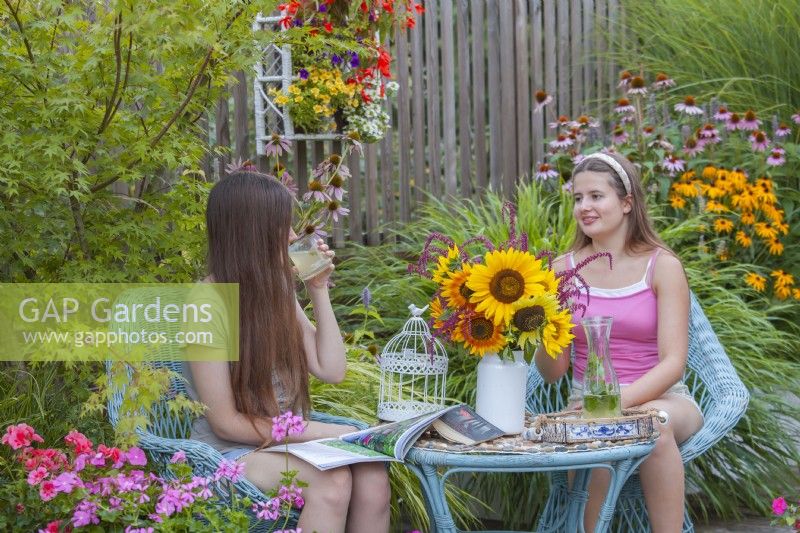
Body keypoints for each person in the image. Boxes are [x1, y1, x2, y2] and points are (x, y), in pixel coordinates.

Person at [184, 172, 390, 533]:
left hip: (282, 444)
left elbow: (331, 369)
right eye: (284, 226)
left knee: (372, 469)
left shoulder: (274, 290)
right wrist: (318, 430)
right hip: (229, 454)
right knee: (331, 482)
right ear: (252, 232)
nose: (294, 237)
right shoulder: (206, 303)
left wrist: (318, 289)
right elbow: (225, 423)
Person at [534, 152, 704, 533]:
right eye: (578, 198)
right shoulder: (562, 270)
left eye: (596, 196)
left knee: (652, 426)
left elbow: (674, 362)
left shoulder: (662, 266)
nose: (584, 207)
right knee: (599, 444)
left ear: (627, 203)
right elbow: (551, 372)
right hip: (585, 403)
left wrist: (614, 404)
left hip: (664, 398)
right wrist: (546, 326)